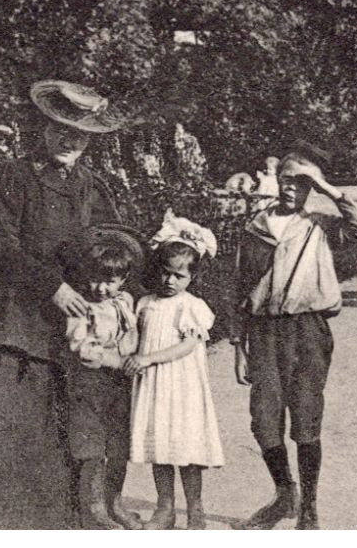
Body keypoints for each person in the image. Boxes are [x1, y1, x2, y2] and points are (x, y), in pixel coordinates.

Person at [0, 80, 130, 530]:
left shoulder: (91, 185)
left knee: (62, 419)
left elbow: (112, 241)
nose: (70, 141)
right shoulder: (16, 175)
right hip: (10, 315)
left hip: (66, 324)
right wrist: (53, 286)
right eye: (62, 130)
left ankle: (55, 519)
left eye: (80, 135)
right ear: (44, 128)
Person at [230, 149, 357, 530]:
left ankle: (309, 507)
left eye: (303, 182)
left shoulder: (319, 226)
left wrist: (327, 187)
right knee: (263, 419)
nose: (293, 188)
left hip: (308, 332)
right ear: (278, 180)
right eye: (288, 179)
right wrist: (237, 345)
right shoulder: (255, 226)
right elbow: (239, 286)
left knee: (306, 417)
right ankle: (284, 495)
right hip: (263, 332)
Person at [128, 212, 224, 530]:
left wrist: (149, 358)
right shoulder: (145, 303)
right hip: (154, 386)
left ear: (192, 278)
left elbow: (187, 346)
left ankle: (195, 509)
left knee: (186, 445)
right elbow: (133, 338)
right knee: (161, 447)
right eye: (166, 273)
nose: (170, 281)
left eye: (179, 276)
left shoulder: (191, 306)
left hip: (182, 386)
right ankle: (165, 507)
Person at [62, 226, 143, 529]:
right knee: (92, 443)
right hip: (90, 380)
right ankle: (94, 507)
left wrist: (135, 356)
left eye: (109, 281)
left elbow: (132, 333)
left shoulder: (125, 301)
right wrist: (117, 359)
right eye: (94, 279)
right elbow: (82, 347)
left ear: (122, 280)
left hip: (119, 383)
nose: (100, 288)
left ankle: (115, 502)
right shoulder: (83, 307)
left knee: (119, 442)